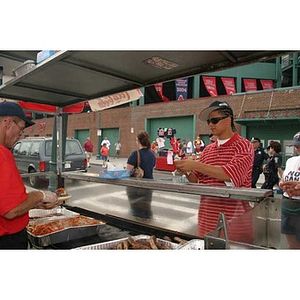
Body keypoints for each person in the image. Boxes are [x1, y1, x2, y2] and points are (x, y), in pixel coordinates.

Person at [174, 100, 254, 242]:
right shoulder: (208, 150)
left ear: (229, 120)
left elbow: (230, 174)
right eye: (209, 121)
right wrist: (186, 170)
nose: (211, 124)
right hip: (206, 222)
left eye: (215, 120)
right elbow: (197, 180)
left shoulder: (244, 146)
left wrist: (195, 165)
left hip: (234, 225)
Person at [0, 101, 58, 249]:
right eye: (20, 129)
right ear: (7, 122)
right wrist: (40, 196)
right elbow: (11, 210)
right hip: (7, 241)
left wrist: (33, 203)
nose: (21, 134)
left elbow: (5, 201)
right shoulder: (2, 154)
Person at [126, 131, 156, 219]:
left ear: (138, 141)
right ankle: (147, 223)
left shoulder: (136, 154)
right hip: (148, 185)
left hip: (136, 186)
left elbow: (128, 171)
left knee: (135, 209)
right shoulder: (152, 154)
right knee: (146, 207)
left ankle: (136, 226)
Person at [279, 132, 300, 248]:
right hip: (288, 204)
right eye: (296, 145)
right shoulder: (291, 161)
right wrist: (283, 184)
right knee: (291, 245)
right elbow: (283, 179)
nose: (297, 148)